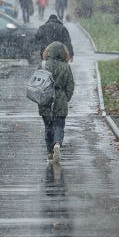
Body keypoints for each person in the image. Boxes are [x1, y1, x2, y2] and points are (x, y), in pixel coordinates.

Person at [38, 41, 75, 171]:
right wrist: (66, 97)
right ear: (64, 53)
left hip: (46, 99)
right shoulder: (66, 67)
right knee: (59, 125)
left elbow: (37, 83)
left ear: (48, 52)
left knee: (48, 126)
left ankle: (49, 152)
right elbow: (70, 84)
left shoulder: (43, 65)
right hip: (60, 98)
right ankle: (57, 143)